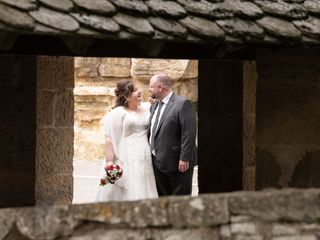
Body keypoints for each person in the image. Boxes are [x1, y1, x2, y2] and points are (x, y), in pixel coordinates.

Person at [95, 79, 158, 201]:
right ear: (126, 96)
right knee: (124, 186)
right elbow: (110, 138)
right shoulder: (117, 113)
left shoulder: (147, 107)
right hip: (126, 155)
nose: (139, 91)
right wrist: (109, 162)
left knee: (143, 182)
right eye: (135, 90)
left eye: (138, 88)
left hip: (144, 155)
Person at [148, 73, 197, 196]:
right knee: (163, 198)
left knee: (180, 198)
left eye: (151, 86)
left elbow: (189, 131)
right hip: (157, 162)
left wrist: (184, 158)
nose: (149, 89)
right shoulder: (154, 105)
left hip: (178, 163)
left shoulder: (182, 103)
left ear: (160, 87)